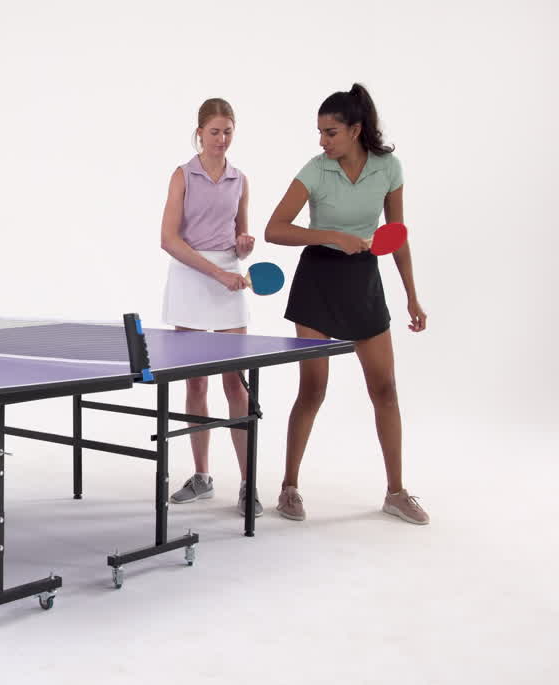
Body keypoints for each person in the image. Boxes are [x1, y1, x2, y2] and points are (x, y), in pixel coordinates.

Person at [264, 83, 429, 524]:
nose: (322, 141)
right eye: (320, 132)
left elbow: (397, 236)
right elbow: (275, 229)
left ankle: (396, 492)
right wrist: (331, 236)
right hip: (317, 279)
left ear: (355, 130)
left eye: (330, 132)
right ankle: (289, 488)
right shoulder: (315, 170)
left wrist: (412, 296)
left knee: (385, 390)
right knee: (312, 389)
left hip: (363, 281)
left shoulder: (389, 168)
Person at [161, 98, 260, 515]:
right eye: (215, 131)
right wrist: (216, 273)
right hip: (190, 279)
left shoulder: (240, 180)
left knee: (235, 384)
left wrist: (243, 243)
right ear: (199, 132)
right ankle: (202, 476)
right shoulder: (182, 175)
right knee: (195, 384)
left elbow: (240, 230)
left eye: (229, 131)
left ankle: (246, 482)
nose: (222, 139)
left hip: (228, 282)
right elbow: (169, 239)